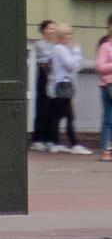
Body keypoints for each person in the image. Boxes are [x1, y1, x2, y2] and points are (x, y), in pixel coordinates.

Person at [47, 24, 92, 154]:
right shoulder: (60, 49)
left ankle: (55, 143)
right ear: (61, 36)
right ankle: (74, 144)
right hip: (63, 85)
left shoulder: (59, 48)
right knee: (69, 116)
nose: (70, 37)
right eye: (67, 34)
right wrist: (77, 51)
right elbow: (71, 64)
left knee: (57, 116)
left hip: (60, 85)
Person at [30, 20, 56, 152]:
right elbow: (49, 56)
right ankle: (37, 139)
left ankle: (47, 138)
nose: (53, 31)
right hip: (43, 75)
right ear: (44, 30)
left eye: (54, 29)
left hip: (52, 76)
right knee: (42, 107)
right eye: (51, 28)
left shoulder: (54, 45)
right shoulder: (40, 44)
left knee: (50, 108)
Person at [95, 14, 112, 162]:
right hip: (108, 86)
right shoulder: (105, 47)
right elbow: (100, 67)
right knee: (108, 119)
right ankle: (106, 150)